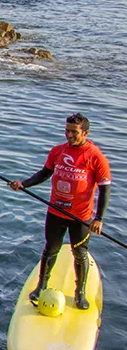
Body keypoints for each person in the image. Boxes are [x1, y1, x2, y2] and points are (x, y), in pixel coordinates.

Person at [9, 114, 111, 310]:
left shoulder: (95, 156)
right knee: (50, 249)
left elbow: (105, 189)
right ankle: (41, 286)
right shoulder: (57, 151)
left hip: (80, 216)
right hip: (55, 211)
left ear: (85, 133)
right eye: (67, 131)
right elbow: (44, 173)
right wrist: (24, 184)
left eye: (74, 132)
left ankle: (79, 293)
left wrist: (99, 218)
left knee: (80, 253)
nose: (69, 135)